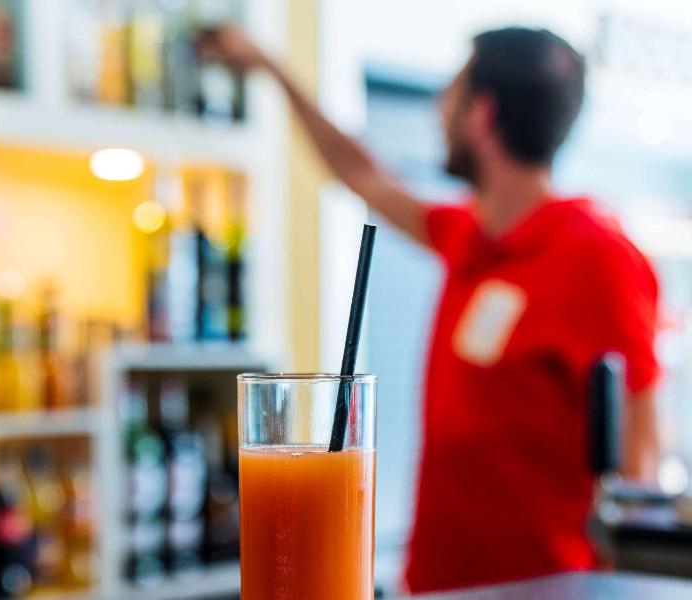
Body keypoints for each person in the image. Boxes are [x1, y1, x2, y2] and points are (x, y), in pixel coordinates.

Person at [198, 26, 661, 593]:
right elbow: (361, 174)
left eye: (451, 94)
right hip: (440, 586)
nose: (438, 111)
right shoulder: (471, 235)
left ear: (482, 114)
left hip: (539, 589)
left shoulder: (599, 256)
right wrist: (273, 70)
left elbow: (640, 458)